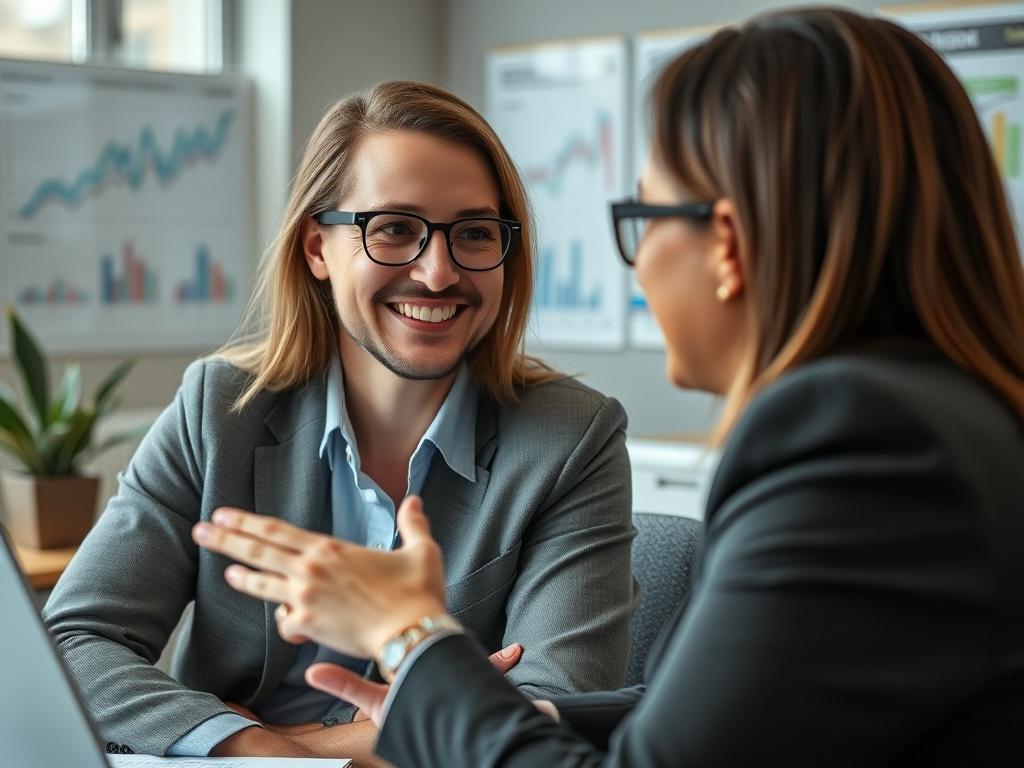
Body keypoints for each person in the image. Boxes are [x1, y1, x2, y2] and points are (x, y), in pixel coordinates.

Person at [195, 8, 1024, 766]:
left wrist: (403, 631)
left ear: (726, 245)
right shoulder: (936, 418)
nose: (644, 264)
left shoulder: (858, 439)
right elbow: (710, 722)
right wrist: (436, 702)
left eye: (646, 216)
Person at [43, 81, 638, 762]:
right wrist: (251, 749)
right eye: (393, 229)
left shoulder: (573, 438)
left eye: (474, 233)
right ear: (317, 250)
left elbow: (554, 713)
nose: (439, 273)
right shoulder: (219, 410)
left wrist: (300, 745)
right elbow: (75, 644)